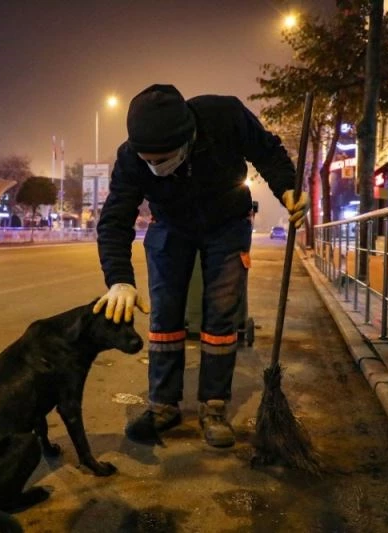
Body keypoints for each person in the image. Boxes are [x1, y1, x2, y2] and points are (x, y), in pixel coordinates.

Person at [93, 84, 308, 448]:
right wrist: (119, 281)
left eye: (163, 159)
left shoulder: (224, 117)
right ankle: (163, 405)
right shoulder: (131, 158)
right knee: (164, 314)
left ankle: (214, 406)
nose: (155, 167)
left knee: (221, 315)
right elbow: (115, 220)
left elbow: (266, 150)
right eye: (148, 160)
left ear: (188, 139)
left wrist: (287, 188)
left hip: (227, 222)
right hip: (170, 224)